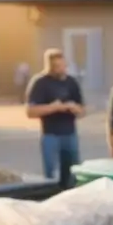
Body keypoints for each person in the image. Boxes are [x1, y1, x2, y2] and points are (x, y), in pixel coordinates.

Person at [25, 48, 83, 187]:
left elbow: (82, 109)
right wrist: (53, 107)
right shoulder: (40, 83)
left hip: (70, 134)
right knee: (51, 176)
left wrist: (74, 108)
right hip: (50, 135)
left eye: (63, 66)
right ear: (49, 66)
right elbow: (30, 111)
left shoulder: (71, 82)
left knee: (74, 173)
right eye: (56, 67)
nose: (61, 70)